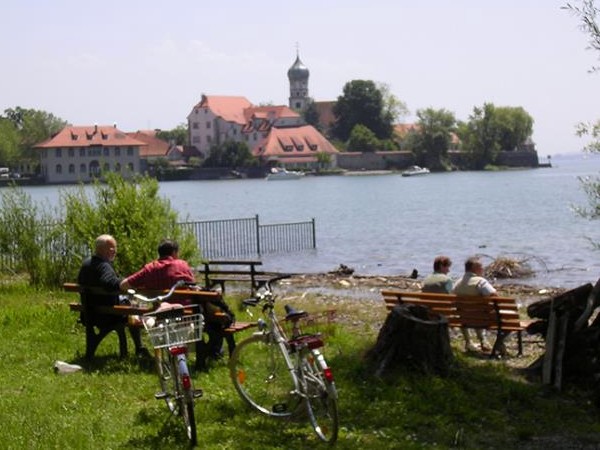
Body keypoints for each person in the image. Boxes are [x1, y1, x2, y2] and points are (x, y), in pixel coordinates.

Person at [77, 234, 146, 356]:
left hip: (90, 314)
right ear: (101, 249)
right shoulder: (103, 266)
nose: (115, 251)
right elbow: (109, 283)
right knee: (133, 307)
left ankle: (138, 348)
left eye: (115, 248)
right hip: (108, 315)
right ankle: (139, 348)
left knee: (129, 304)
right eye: (111, 248)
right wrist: (126, 282)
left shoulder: (86, 264)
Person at [452, 256, 497, 352]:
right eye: (481, 267)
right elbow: (494, 295)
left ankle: (468, 342)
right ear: (475, 269)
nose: (482, 269)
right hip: (481, 318)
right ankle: (489, 342)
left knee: (472, 311)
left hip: (463, 318)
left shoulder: (457, 284)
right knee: (480, 311)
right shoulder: (480, 282)